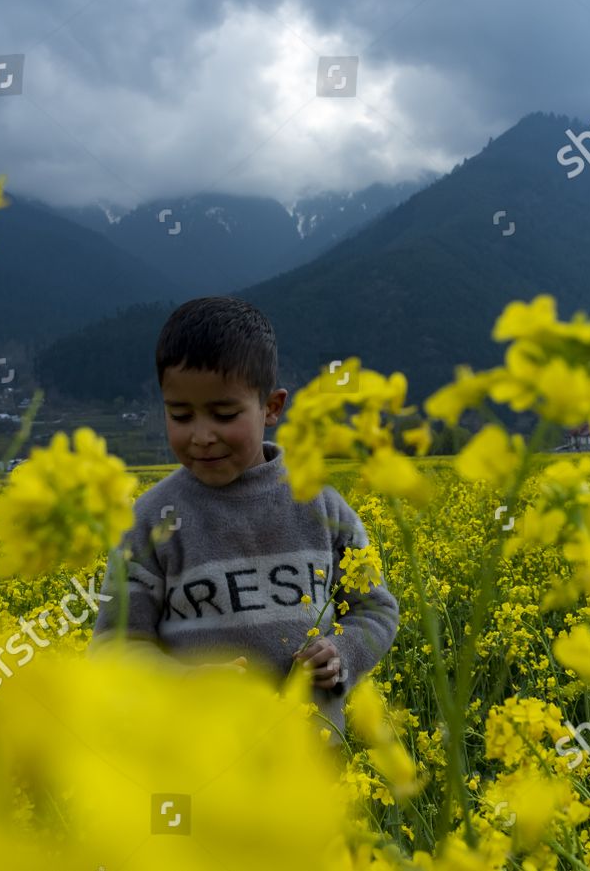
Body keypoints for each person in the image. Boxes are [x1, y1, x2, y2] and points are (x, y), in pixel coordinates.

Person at [90, 296, 400, 735]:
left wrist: (343, 652)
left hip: (312, 765)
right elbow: (114, 647)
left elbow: (376, 609)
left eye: (224, 414)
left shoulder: (323, 506)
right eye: (180, 415)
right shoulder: (149, 520)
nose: (201, 436)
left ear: (271, 408)